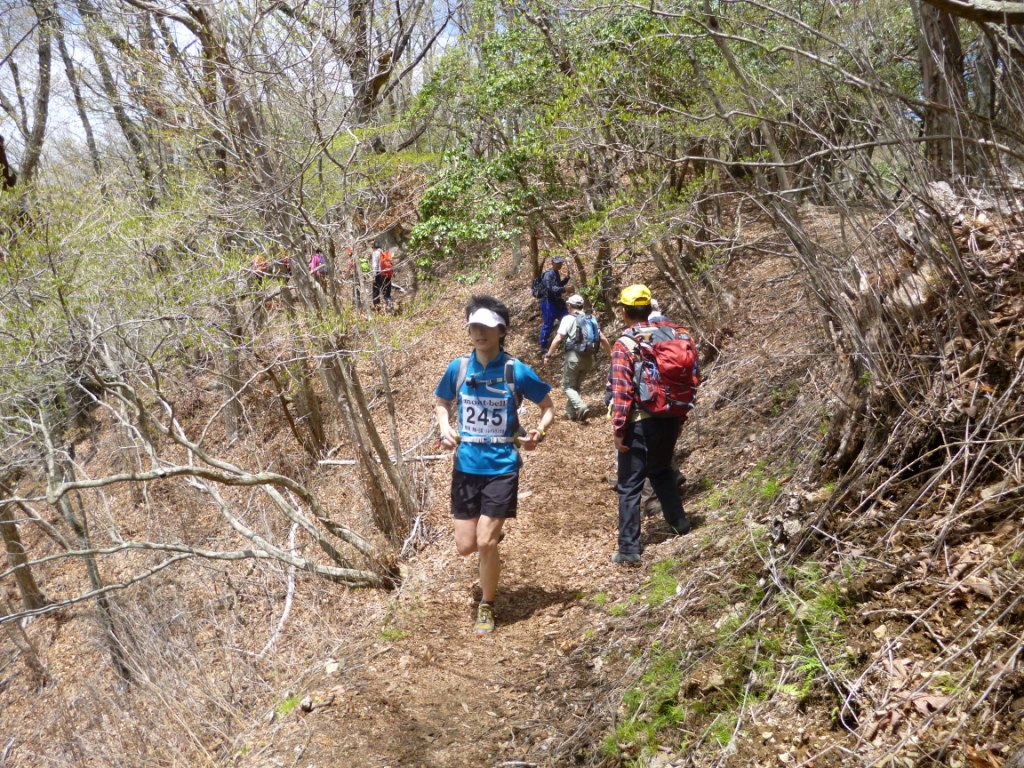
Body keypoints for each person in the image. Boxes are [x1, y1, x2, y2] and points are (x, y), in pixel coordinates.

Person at [435, 296, 555, 635]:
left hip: (502, 465)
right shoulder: (458, 368)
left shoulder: (515, 370)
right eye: (474, 326)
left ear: (501, 331)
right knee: (466, 546)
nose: (479, 332)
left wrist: (538, 433)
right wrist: (445, 427)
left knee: (485, 543)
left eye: (487, 327)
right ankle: (491, 532)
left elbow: (548, 407)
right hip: (466, 465)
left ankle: (486, 606)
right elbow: (442, 402)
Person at [608, 284, 692, 564]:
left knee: (629, 486)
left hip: (640, 423)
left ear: (624, 312)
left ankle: (629, 549)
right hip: (670, 417)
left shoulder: (626, 343)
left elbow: (621, 391)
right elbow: (691, 377)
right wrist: (679, 417)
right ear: (649, 308)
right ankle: (680, 523)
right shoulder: (676, 334)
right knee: (660, 471)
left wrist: (619, 430)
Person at [543, 294, 611, 422]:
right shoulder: (591, 319)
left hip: (574, 357)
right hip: (589, 358)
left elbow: (558, 338)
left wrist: (549, 355)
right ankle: (571, 414)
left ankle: (581, 406)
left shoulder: (568, 319)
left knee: (567, 387)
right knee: (575, 387)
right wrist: (610, 354)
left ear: (569, 305)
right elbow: (602, 338)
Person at [537, 255, 572, 353]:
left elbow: (558, 285)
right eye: (557, 263)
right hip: (548, 303)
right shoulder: (548, 274)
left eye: (560, 263)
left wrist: (567, 278)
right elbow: (551, 288)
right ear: (552, 263)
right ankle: (543, 347)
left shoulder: (556, 273)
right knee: (548, 324)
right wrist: (564, 289)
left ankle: (571, 341)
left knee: (567, 319)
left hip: (557, 303)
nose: (559, 265)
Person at [371, 241, 393, 312]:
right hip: (387, 274)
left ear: (374, 248)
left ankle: (377, 308)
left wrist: (374, 276)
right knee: (386, 292)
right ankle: (390, 308)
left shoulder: (375, 253)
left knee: (376, 291)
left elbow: (375, 265)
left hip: (379, 274)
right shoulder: (385, 253)